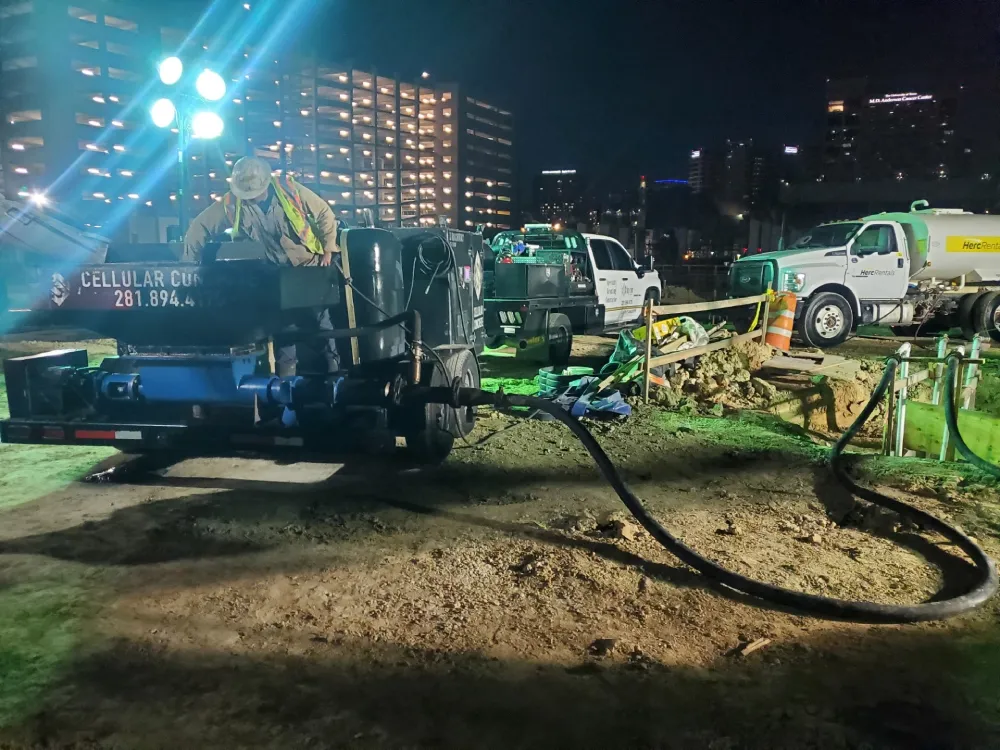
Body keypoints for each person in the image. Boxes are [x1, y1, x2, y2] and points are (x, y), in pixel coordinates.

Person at [184, 156, 340, 376]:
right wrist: (189, 267)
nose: (250, 199)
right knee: (284, 330)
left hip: (307, 267)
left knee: (320, 323)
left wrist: (328, 248)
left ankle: (334, 374)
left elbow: (324, 213)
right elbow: (199, 227)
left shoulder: (290, 190)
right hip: (276, 273)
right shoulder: (232, 204)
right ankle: (288, 385)